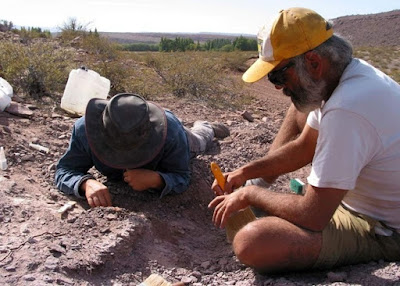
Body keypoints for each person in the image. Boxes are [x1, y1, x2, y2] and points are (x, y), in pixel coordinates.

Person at [208, 7, 400, 273]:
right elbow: (303, 147)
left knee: (254, 241)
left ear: (313, 62)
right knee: (298, 106)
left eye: (278, 75)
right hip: (352, 204)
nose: (277, 86)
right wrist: (246, 173)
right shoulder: (344, 76)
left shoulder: (348, 109)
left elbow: (313, 215)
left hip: (384, 227)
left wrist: (252, 195)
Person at [55, 93, 229, 208]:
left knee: (199, 141)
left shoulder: (171, 133)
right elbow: (64, 170)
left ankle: (207, 126)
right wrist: (86, 183)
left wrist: (157, 179)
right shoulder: (85, 130)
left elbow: (181, 176)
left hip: (176, 132)